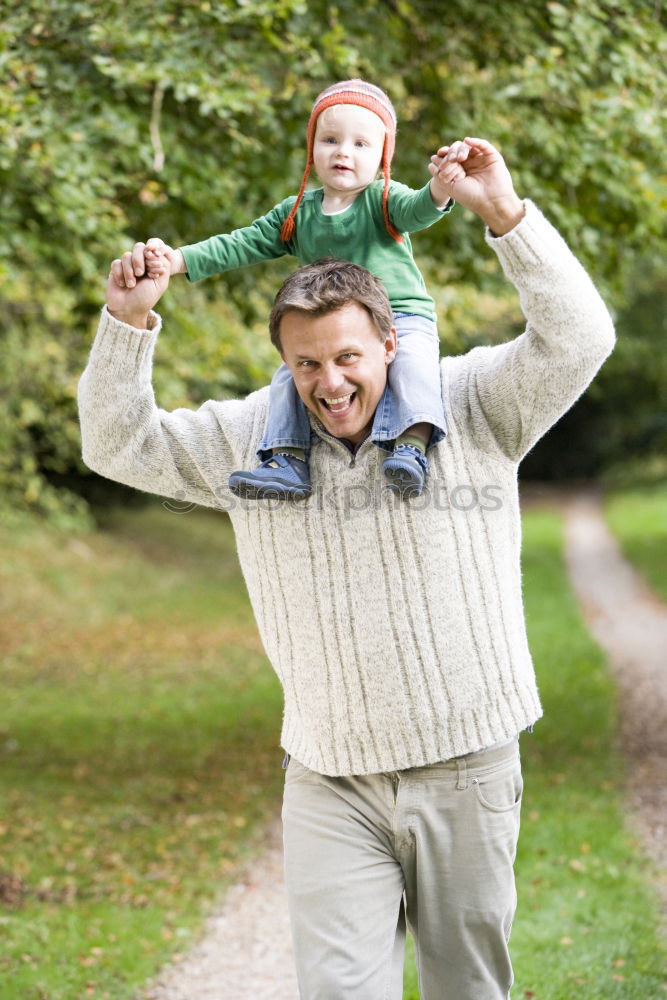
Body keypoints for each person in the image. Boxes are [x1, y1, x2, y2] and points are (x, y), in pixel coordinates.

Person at [78, 137, 615, 998]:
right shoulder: (254, 439)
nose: (328, 384)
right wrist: (128, 322)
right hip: (329, 778)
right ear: (284, 362)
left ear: (392, 343)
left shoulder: (471, 403)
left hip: (466, 764)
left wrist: (505, 218)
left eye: (346, 358)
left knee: (466, 989)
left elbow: (580, 338)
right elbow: (116, 444)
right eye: (305, 364)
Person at [133, 79, 458, 501]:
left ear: (382, 157)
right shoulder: (296, 212)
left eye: (361, 144)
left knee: (414, 366)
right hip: (328, 332)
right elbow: (241, 243)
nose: (343, 151)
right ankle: (287, 461)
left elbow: (417, 210)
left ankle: (410, 449)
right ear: (312, 150)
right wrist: (179, 260)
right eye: (330, 139)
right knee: (290, 377)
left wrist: (441, 190)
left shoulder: (382, 199)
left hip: (400, 314)